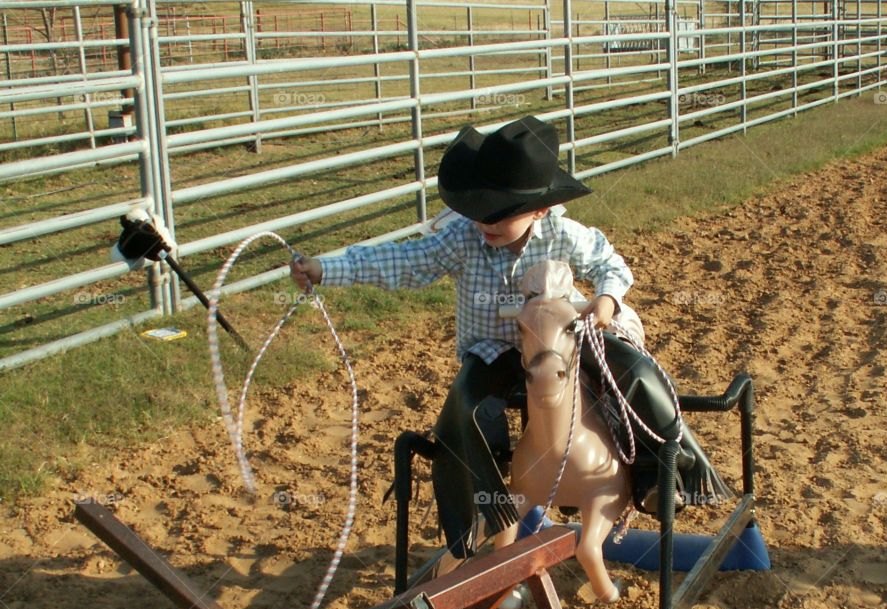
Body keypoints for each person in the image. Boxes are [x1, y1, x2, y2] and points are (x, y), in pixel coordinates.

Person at [291, 115, 729, 559]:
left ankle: (664, 471)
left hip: (561, 343)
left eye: (500, 212)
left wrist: (607, 300)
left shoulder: (563, 233)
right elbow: (404, 261)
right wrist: (327, 268)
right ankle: (479, 514)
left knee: (633, 370)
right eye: (479, 208)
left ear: (539, 208)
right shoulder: (462, 236)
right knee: (465, 408)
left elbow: (610, 264)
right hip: (493, 350)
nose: (486, 221)